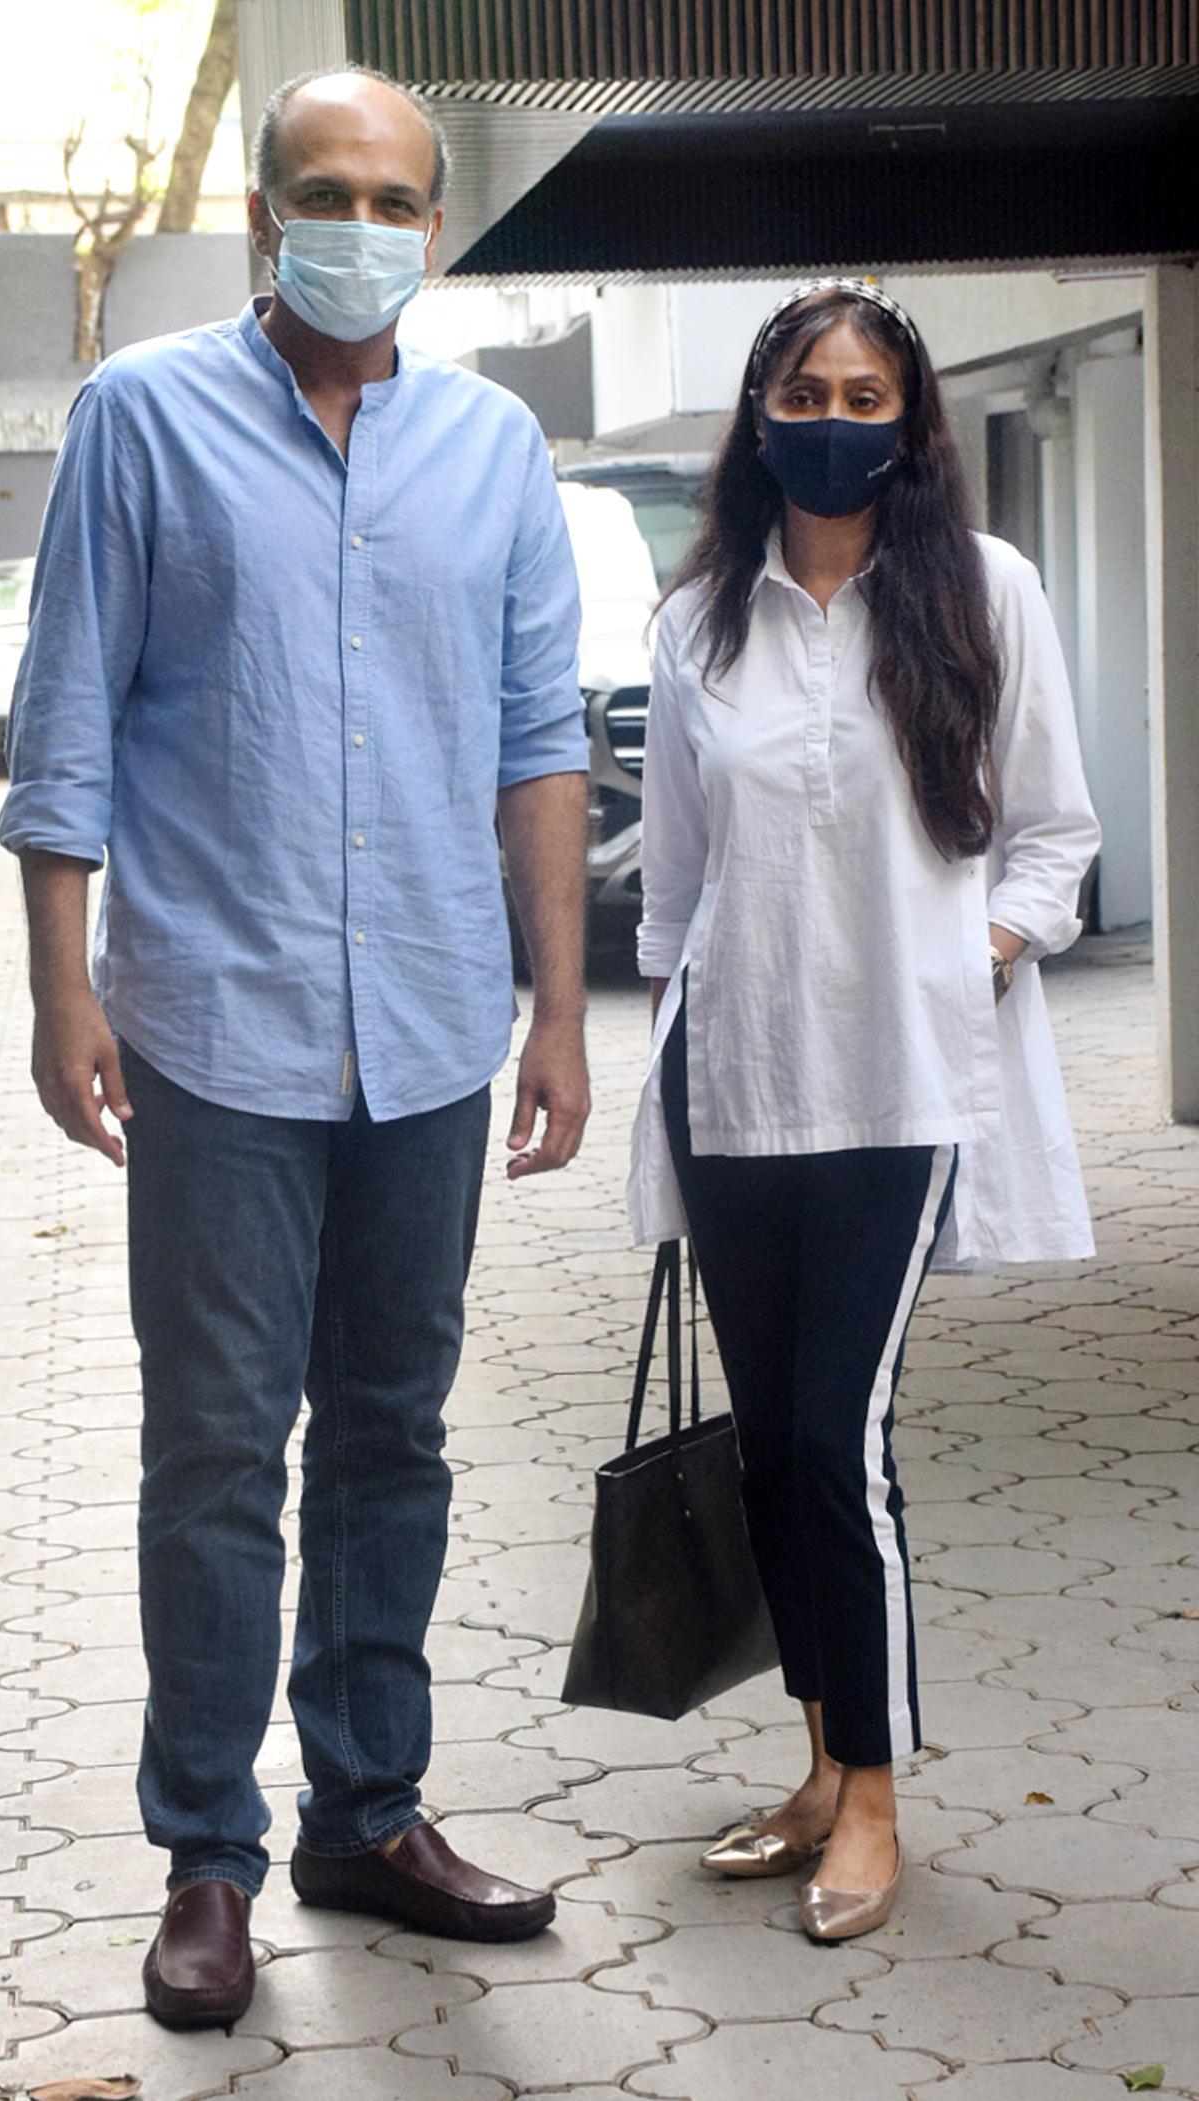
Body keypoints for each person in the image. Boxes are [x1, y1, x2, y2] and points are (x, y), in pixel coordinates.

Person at [0, 66, 591, 2030]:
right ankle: (207, 1859)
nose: (358, 219)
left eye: (392, 194)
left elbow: (533, 747)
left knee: (395, 1438)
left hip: (428, 1027)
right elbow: (67, 718)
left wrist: (561, 1010)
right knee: (217, 1452)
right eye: (321, 188)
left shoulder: (497, 451)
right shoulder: (140, 418)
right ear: (265, 217)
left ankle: (367, 1809)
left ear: (435, 225)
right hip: (218, 1040)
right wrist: (57, 983)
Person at [627, 279, 1099, 1943]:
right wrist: (660, 1068)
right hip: (736, 1080)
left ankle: (879, 1799)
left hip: (902, 1087)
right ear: (759, 419)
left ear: (911, 418)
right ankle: (818, 1766)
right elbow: (673, 890)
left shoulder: (987, 590)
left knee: (839, 1437)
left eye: (864, 390)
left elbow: (1055, 834)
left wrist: (964, 961)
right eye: (804, 390)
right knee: (774, 1452)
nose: (834, 416)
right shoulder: (699, 624)